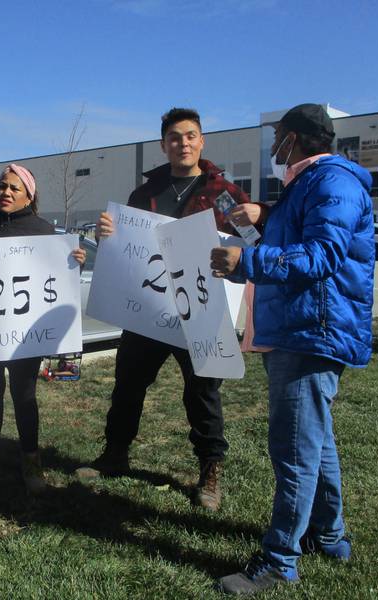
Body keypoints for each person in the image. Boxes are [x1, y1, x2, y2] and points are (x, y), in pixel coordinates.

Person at [211, 103, 374, 595]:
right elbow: (299, 242)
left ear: (300, 138)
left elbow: (323, 255)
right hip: (300, 330)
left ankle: (280, 560)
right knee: (317, 442)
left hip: (312, 331)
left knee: (294, 450)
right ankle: (330, 536)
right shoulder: (305, 186)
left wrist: (247, 260)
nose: (274, 146)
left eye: (279, 137)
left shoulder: (333, 182)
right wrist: (258, 225)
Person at [81, 107, 253, 511]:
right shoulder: (144, 194)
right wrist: (108, 235)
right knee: (128, 384)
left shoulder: (224, 193)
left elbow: (250, 239)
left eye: (191, 135)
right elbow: (122, 250)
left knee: (203, 393)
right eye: (175, 137)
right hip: (147, 308)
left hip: (201, 310)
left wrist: (253, 225)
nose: (183, 143)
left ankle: (210, 470)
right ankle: (115, 453)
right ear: (164, 144)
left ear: (202, 141)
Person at [0, 164, 85, 495]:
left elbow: (56, 276)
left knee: (24, 395)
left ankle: (31, 461)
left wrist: (74, 260)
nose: (6, 192)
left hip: (24, 334)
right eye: (2, 186)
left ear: (30, 196)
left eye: (15, 188)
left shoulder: (44, 231)